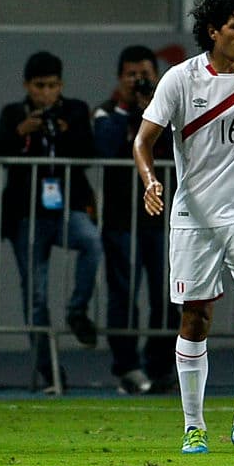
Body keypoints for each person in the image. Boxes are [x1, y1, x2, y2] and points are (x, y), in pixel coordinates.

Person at [134, 0, 234, 455]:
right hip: (196, 216)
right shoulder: (180, 80)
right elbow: (144, 141)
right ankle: (193, 424)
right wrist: (150, 180)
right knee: (195, 316)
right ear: (213, 31)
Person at [0, 51, 101, 390]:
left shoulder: (76, 110)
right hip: (27, 214)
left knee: (92, 242)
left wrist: (64, 133)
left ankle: (77, 309)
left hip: (68, 207)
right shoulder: (13, 113)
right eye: (40, 86)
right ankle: (48, 369)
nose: (46, 93)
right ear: (27, 86)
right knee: (35, 296)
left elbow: (88, 154)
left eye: (53, 85)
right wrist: (21, 132)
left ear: (61, 85)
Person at [94, 45, 180, 395]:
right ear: (120, 78)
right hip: (121, 219)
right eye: (131, 75)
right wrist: (134, 115)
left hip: (162, 219)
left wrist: (153, 112)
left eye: (144, 74)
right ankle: (127, 368)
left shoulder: (169, 111)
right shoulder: (105, 112)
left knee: (167, 293)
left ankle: (159, 367)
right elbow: (105, 149)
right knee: (124, 294)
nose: (138, 81)